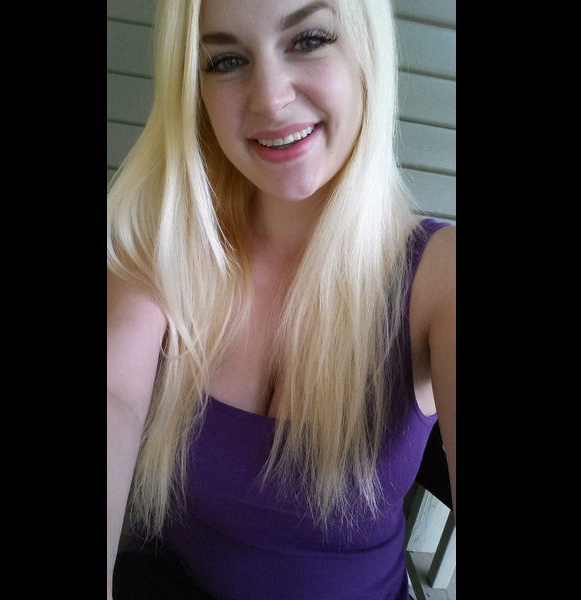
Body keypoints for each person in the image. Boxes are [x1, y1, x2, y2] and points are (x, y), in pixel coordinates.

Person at [107, 0, 456, 598]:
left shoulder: (438, 273)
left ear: (366, 51)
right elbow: (114, 396)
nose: (270, 99)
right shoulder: (167, 239)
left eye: (309, 39)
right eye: (226, 60)